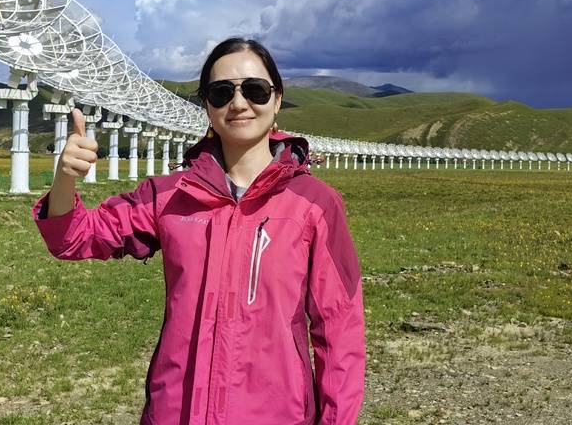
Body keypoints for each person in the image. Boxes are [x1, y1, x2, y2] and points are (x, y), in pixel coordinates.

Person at [31, 37, 366, 425]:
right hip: (177, 412)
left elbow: (339, 328)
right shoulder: (168, 196)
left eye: (255, 90)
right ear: (207, 105)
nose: (238, 103)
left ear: (277, 100)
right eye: (222, 93)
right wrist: (65, 178)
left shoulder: (315, 203)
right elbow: (73, 238)